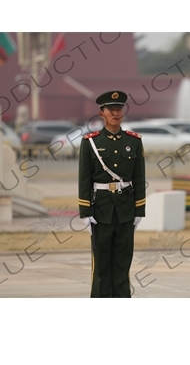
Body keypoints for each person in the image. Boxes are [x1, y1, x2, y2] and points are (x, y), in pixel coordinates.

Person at [78, 90, 146, 298]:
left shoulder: (133, 141)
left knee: (123, 260)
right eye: (111, 109)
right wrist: (85, 210)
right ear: (101, 113)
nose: (116, 113)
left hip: (125, 209)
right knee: (101, 262)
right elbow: (84, 179)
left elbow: (139, 177)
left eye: (119, 109)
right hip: (101, 210)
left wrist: (139, 210)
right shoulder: (91, 142)